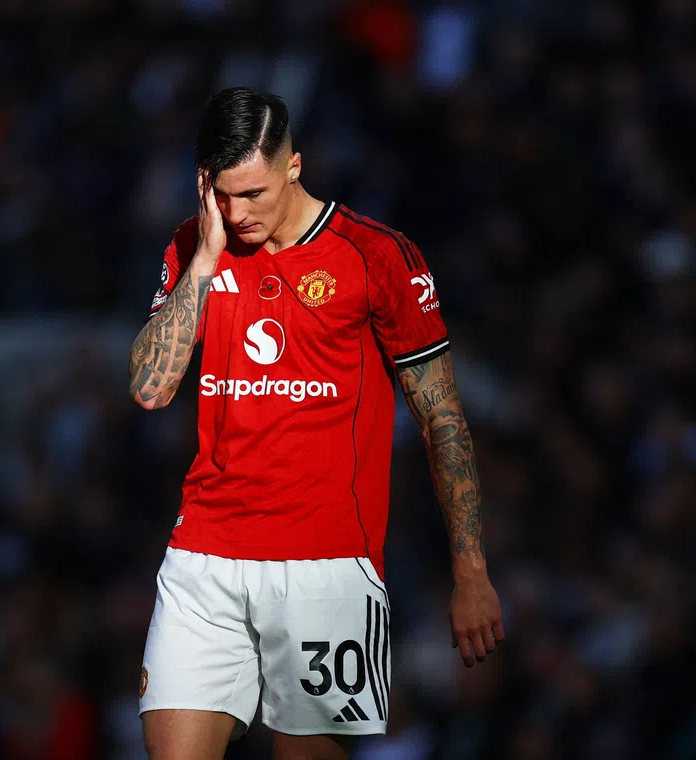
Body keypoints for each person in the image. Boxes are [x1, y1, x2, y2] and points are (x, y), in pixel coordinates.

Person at [128, 87, 504, 760]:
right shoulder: (193, 247)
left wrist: (470, 570)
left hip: (328, 568)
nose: (240, 214)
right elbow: (152, 389)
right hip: (203, 560)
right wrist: (206, 262)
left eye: (256, 194)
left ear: (294, 166)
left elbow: (443, 419)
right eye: (225, 196)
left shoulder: (375, 255)